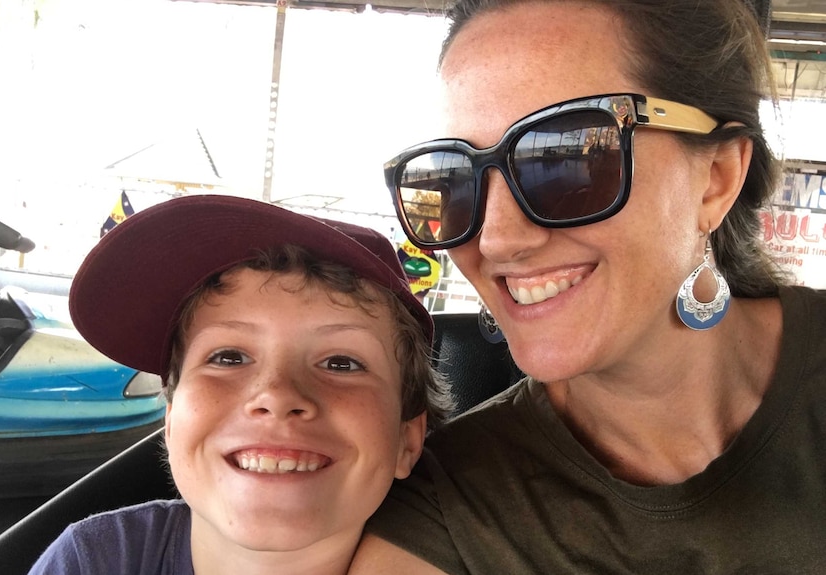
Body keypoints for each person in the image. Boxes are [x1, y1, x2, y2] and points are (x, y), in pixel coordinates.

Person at [350, 0, 826, 573]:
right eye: (453, 177)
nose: (497, 240)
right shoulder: (447, 510)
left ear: (716, 179)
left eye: (567, 157)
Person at [28, 194, 450, 575]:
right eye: (228, 358)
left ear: (406, 440)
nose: (277, 395)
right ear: (171, 421)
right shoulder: (92, 561)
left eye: (341, 363)